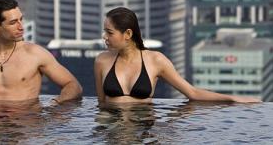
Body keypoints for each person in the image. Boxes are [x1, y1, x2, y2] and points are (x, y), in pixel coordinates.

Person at [94, 7, 262, 104]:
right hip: (112, 132)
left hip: (144, 132)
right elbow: (101, 104)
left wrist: (231, 98)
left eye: (109, 32)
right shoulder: (102, 61)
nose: (104, 37)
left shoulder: (156, 60)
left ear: (128, 34)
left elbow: (192, 93)